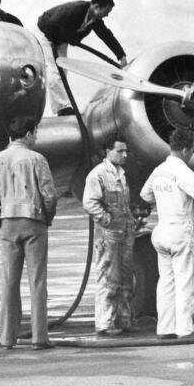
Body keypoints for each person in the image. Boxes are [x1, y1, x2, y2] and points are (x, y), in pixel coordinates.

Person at [0, 115, 59, 350]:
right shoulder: (37, 159)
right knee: (37, 281)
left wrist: (1, 219)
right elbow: (50, 195)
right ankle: (39, 338)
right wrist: (47, 218)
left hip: (8, 223)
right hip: (34, 222)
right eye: (34, 133)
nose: (36, 137)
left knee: (9, 282)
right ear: (27, 134)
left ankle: (6, 338)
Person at [139, 129, 194, 339]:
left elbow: (145, 194)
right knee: (186, 281)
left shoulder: (159, 170)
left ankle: (165, 327)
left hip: (162, 230)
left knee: (166, 282)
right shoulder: (183, 171)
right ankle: (185, 329)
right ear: (187, 149)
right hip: (181, 231)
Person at [36, 0, 128, 116]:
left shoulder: (95, 20)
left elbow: (106, 36)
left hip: (62, 40)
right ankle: (63, 108)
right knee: (54, 70)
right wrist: (68, 38)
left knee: (62, 72)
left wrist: (121, 55)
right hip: (47, 35)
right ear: (96, 7)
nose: (106, 15)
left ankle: (60, 107)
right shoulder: (75, 10)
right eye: (106, 11)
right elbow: (52, 23)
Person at [82, 135, 136, 336]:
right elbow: (90, 203)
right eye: (120, 151)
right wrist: (106, 220)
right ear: (108, 152)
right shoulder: (98, 174)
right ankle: (104, 323)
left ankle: (124, 320)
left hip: (125, 232)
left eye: (125, 151)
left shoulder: (120, 174)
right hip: (109, 234)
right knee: (108, 278)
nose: (124, 155)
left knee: (125, 279)